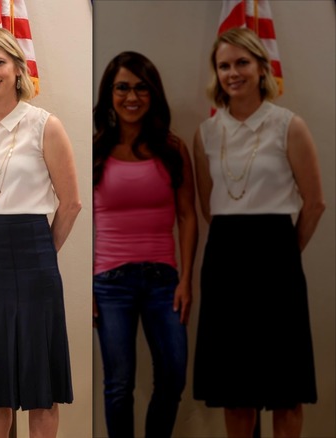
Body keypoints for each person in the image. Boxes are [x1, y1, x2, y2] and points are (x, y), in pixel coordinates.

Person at [192, 27, 325, 438]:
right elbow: (208, 206)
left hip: (277, 259)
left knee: (286, 388)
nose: (233, 72)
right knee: (236, 388)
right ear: (217, 73)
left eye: (242, 63)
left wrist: (285, 252)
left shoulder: (289, 125)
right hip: (225, 261)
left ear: (261, 68)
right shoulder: (206, 134)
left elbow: (315, 201)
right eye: (225, 65)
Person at [0, 27, 81, 438]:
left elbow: (71, 202)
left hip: (34, 256)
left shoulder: (46, 125)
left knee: (40, 385)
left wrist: (42, 250)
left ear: (18, 68)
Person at [91, 51, 197, 438]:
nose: (131, 97)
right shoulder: (96, 151)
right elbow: (83, 220)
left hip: (164, 282)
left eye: (140, 88)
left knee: (172, 377)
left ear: (153, 94)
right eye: (122, 87)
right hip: (109, 283)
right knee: (119, 386)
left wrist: (187, 280)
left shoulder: (173, 149)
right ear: (110, 94)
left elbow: (188, 216)